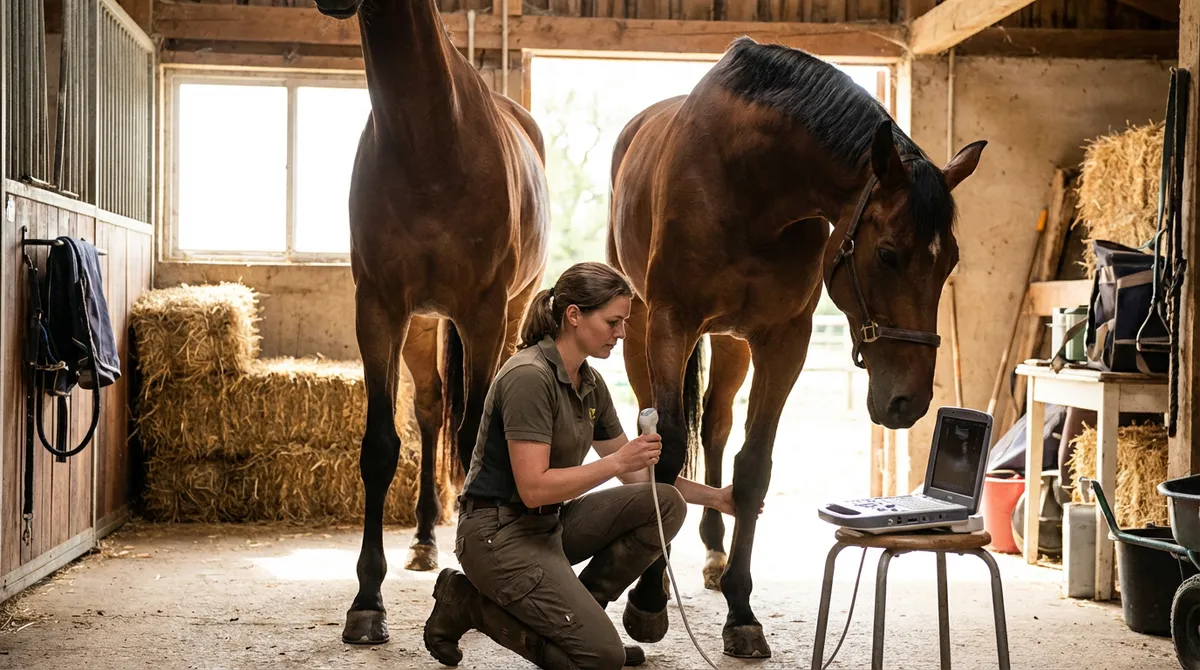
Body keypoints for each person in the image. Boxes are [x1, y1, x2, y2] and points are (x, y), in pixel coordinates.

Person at [423, 261, 750, 670]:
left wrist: (718, 499)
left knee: (666, 503)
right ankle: (467, 604)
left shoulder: (589, 382)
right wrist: (615, 462)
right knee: (602, 658)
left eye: (624, 322)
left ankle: (581, 619)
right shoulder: (529, 376)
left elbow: (638, 474)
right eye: (613, 321)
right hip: (497, 535)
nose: (622, 333)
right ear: (574, 315)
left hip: (547, 526)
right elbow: (534, 489)